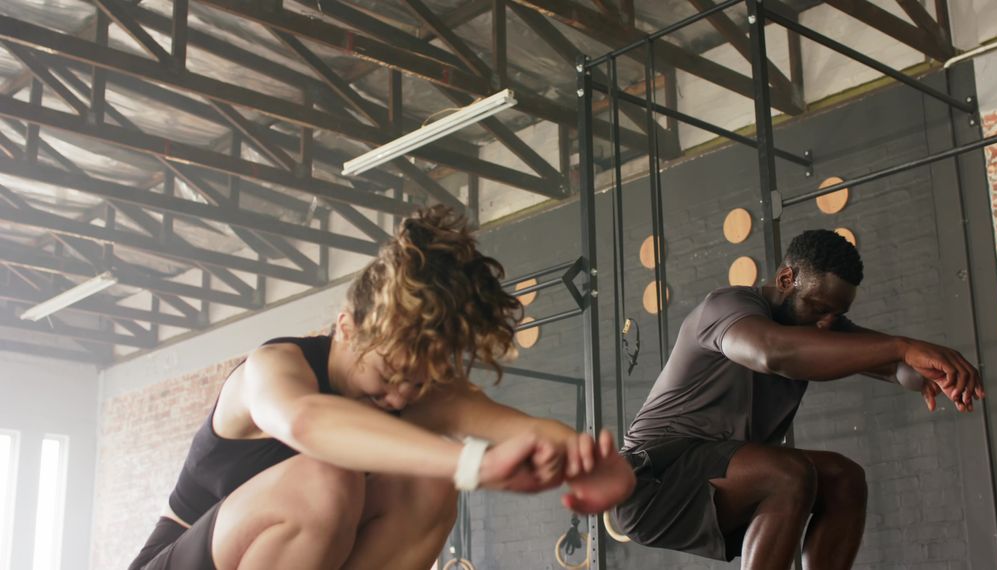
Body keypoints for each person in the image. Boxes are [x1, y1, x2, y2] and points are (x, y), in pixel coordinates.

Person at [129, 205, 634, 570]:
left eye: (415, 384)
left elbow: (527, 432)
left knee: (429, 487)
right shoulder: (274, 368)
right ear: (346, 327)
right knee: (329, 481)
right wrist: (471, 463)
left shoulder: (419, 395)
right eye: (389, 375)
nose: (398, 398)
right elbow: (306, 422)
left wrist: (591, 462)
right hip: (175, 559)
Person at [612, 229, 984, 570]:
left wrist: (936, 372)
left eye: (838, 314)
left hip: (718, 470)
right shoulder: (727, 307)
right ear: (787, 279)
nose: (827, 322)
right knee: (787, 474)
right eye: (819, 307)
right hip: (653, 479)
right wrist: (904, 346)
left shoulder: (820, 324)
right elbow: (772, 353)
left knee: (843, 477)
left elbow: (896, 367)